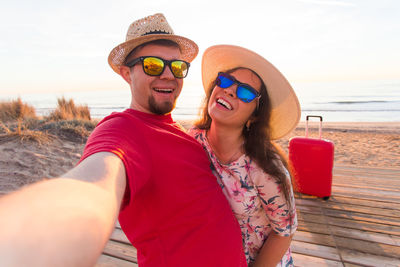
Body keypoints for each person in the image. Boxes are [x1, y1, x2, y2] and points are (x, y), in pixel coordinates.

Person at [0, 14, 247, 267]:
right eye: (153, 65)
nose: (168, 75)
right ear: (126, 73)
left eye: (177, 66)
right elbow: (93, 185)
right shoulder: (124, 129)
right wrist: (26, 239)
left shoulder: (181, 132)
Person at [189, 45, 300, 266]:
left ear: (254, 117)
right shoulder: (193, 142)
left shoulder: (266, 169)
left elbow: (284, 232)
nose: (230, 90)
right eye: (226, 81)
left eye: (246, 92)